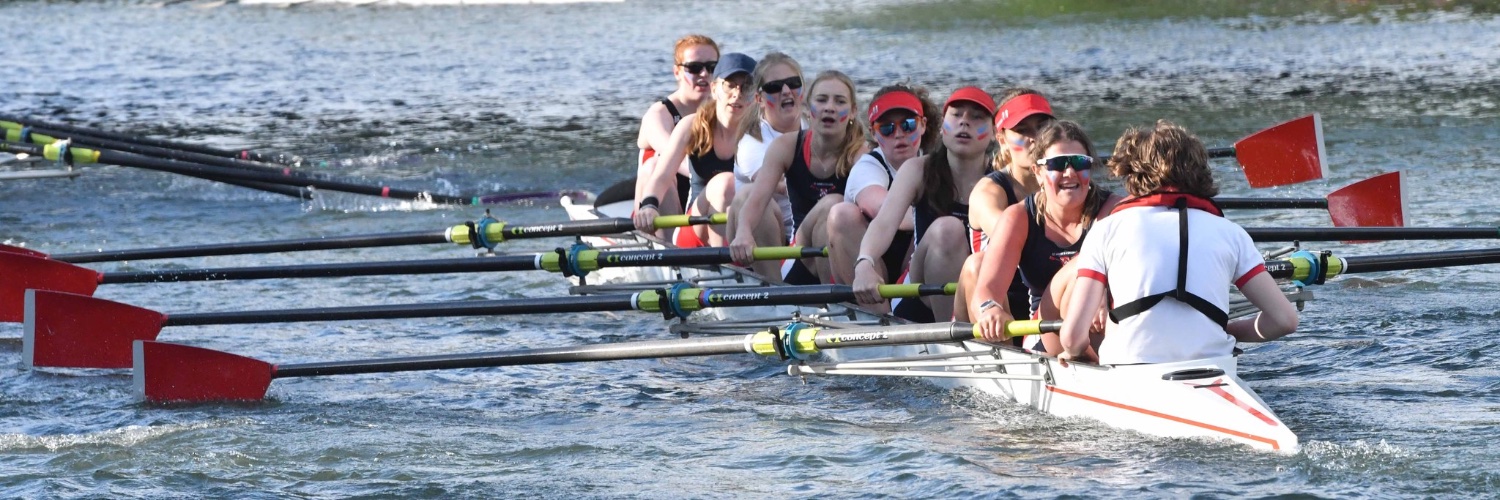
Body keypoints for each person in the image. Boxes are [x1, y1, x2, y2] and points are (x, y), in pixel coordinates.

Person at [1056, 121, 1298, 364]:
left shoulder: (1106, 229)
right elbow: (1284, 320)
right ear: (1199, 172)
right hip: (1214, 366)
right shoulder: (1231, 233)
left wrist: (1080, 357)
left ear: (1132, 173)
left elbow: (1072, 338)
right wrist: (1228, 331)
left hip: (1130, 370)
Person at [972, 121, 1123, 355]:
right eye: (1058, 165)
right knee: (1084, 264)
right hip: (1044, 332)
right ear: (1038, 173)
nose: (1070, 172)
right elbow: (986, 290)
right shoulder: (1019, 217)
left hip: (1105, 327)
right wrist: (989, 309)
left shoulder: (1113, 209)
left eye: (1079, 163)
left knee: (1087, 266)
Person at [852, 86, 998, 320]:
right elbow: (884, 223)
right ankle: (954, 339)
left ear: (994, 133)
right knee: (948, 229)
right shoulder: (918, 169)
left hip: (977, 288)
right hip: (919, 296)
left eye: (977, 117)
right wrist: (864, 263)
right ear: (942, 127)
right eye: (957, 115)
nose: (964, 123)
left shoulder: (1001, 178)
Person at [729, 70, 866, 283]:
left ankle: (837, 302)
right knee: (746, 194)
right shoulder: (786, 146)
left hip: (839, 255)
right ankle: (773, 289)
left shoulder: (861, 155)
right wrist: (744, 232)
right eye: (821, 100)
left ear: (853, 111)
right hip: (799, 253)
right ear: (808, 109)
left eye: (839, 102)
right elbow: (756, 200)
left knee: (834, 208)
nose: (830, 107)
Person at [633, 53, 757, 247]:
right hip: (695, 228)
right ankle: (726, 265)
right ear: (714, 89)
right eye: (730, 85)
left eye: (746, 87)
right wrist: (649, 205)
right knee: (725, 184)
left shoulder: (761, 134)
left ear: (756, 95)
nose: (737, 93)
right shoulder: (692, 126)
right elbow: (662, 176)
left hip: (744, 226)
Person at [954, 89, 1054, 324]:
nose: (1035, 138)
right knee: (976, 265)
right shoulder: (988, 192)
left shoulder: (1068, 182)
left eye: (1042, 128)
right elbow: (1011, 238)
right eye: (1022, 131)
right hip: (994, 304)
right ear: (1002, 141)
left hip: (1045, 299)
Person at [825, 84, 940, 286]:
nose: (898, 134)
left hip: (912, 263)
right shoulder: (867, 166)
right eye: (886, 128)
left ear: (923, 125)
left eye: (908, 125)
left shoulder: (936, 165)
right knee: (841, 214)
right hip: (867, 267)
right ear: (874, 133)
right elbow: (882, 209)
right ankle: (878, 313)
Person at [634, 34, 720, 223]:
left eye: (711, 67)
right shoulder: (658, 115)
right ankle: (667, 246)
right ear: (677, 72)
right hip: (658, 207)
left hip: (703, 200)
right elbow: (671, 159)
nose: (704, 74)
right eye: (695, 68)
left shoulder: (727, 111)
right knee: (655, 165)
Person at [728, 52, 804, 247]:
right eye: (774, 87)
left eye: (793, 83)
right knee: (750, 193)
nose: (786, 91)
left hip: (805, 232)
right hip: (768, 240)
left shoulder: (817, 128)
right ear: (759, 99)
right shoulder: (752, 142)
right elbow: (778, 185)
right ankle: (771, 276)